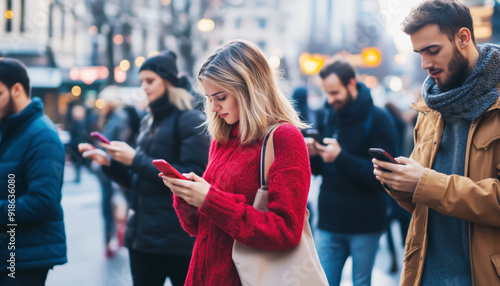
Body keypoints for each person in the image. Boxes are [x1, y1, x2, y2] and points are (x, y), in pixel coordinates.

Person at [160, 39, 311, 285]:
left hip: (245, 277)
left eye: (220, 96)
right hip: (204, 272)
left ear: (249, 89)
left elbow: (285, 232)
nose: (214, 106)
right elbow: (202, 228)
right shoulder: (224, 136)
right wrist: (188, 194)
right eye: (209, 98)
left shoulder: (284, 137)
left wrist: (210, 199)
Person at [372, 1, 500, 285]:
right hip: (424, 274)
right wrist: (398, 183)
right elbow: (422, 204)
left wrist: (425, 183)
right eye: (419, 53)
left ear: (463, 38)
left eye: (432, 50)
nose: (425, 64)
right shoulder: (429, 107)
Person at [79, 51, 210, 286]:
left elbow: (192, 178)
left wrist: (135, 159)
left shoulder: (189, 120)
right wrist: (110, 164)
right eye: (142, 82)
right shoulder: (149, 120)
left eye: (150, 81)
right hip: (141, 239)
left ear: (168, 82)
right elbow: (138, 180)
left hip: (177, 241)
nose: (144, 87)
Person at [307, 58, 398, 286]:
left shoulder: (378, 119)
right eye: (327, 93)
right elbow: (321, 171)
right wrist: (313, 155)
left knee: (361, 282)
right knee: (323, 282)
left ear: (351, 83)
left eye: (335, 92)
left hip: (365, 224)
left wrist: (340, 157)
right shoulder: (328, 114)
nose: (330, 99)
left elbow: (386, 176)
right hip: (329, 222)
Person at [0, 58, 67, 285]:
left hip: (24, 259)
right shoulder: (9, 128)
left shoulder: (42, 135)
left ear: (16, 90)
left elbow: (42, 201)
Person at [93, 85, 133, 258]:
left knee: (110, 205)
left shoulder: (118, 118)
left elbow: (117, 142)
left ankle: (113, 240)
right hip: (108, 168)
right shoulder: (113, 117)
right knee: (109, 205)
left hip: (114, 168)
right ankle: (111, 240)